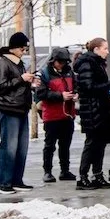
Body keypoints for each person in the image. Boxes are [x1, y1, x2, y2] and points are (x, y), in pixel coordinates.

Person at [0, 32, 35, 193]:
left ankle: (16, 180)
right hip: (9, 109)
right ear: (14, 48)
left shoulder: (18, 64)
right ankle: (3, 182)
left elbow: (15, 85)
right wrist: (21, 79)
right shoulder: (3, 63)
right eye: (22, 49)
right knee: (8, 147)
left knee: (21, 147)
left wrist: (29, 82)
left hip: (21, 108)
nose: (24, 52)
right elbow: (0, 87)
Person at [73, 38, 110, 191]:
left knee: (99, 144)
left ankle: (97, 174)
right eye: (105, 48)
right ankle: (82, 176)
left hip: (100, 109)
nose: (107, 51)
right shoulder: (88, 63)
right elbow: (88, 87)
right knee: (92, 143)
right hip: (91, 110)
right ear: (96, 49)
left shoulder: (96, 63)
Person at [34, 47, 77, 184]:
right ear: (53, 61)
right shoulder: (44, 74)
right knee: (50, 145)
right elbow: (40, 94)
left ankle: (65, 170)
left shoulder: (69, 72)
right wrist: (60, 96)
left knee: (65, 145)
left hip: (67, 114)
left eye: (64, 62)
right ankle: (47, 171)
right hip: (52, 115)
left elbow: (76, 86)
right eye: (59, 62)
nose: (61, 64)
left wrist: (75, 94)